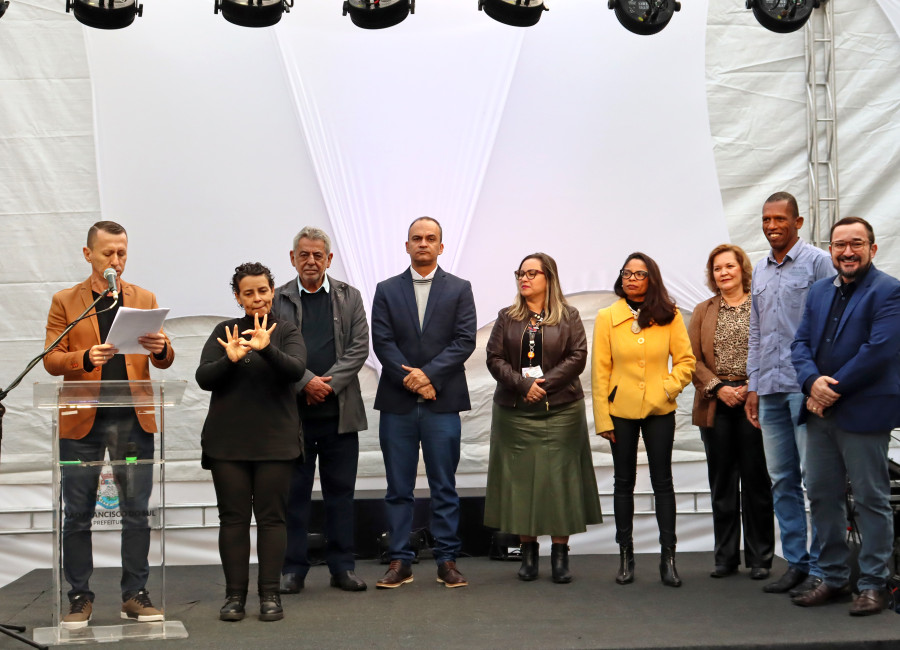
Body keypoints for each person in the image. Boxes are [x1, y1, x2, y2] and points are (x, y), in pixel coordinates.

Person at [43, 220, 174, 629]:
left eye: (122, 253)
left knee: (136, 511)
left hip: (132, 418)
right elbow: (50, 358)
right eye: (107, 254)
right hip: (82, 419)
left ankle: (134, 595)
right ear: (88, 255)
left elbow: (165, 357)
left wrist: (162, 348)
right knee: (78, 513)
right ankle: (79, 596)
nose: (116, 261)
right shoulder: (67, 300)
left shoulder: (143, 297)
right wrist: (83, 359)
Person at [790, 217, 900, 615]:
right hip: (819, 414)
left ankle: (874, 583)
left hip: (865, 413)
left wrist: (827, 391)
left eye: (856, 244)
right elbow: (799, 343)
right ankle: (834, 577)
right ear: (830, 250)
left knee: (871, 500)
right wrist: (810, 383)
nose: (847, 251)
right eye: (839, 244)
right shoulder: (818, 291)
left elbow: (879, 351)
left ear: (872, 248)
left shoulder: (889, 291)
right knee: (822, 496)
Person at [196, 263, 306, 622]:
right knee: (234, 519)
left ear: (273, 291)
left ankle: (270, 595)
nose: (257, 298)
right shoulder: (224, 331)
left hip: (276, 441)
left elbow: (295, 370)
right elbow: (204, 378)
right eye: (248, 293)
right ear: (238, 297)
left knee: (272, 520)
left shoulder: (286, 330)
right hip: (228, 443)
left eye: (262, 291)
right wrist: (230, 359)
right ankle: (234, 597)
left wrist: (265, 349)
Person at [371, 217, 477, 589]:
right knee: (398, 488)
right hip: (398, 405)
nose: (423, 244)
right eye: (416, 238)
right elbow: (382, 343)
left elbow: (464, 341)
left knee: (443, 485)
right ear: (406, 245)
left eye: (431, 238)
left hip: (442, 403)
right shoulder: (386, 289)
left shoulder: (459, 288)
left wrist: (428, 377)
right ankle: (400, 560)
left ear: (441, 247)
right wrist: (413, 380)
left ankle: (447, 559)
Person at [484, 253, 602, 583]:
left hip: (561, 410)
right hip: (516, 412)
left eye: (531, 273)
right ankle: (529, 555)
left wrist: (543, 385)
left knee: (559, 482)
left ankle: (560, 557)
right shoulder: (507, 317)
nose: (524, 278)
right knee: (521, 483)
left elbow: (578, 357)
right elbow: (494, 358)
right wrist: (523, 385)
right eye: (520, 273)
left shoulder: (569, 316)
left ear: (548, 278)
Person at [744, 191, 833, 596]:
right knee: (781, 479)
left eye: (780, 219)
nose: (771, 226)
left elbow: (834, 326)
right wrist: (753, 386)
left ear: (797, 222)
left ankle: (824, 567)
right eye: (766, 219)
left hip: (805, 388)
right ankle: (796, 563)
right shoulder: (759, 270)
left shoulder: (819, 262)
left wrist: (821, 382)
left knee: (816, 480)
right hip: (770, 390)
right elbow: (757, 333)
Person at [273, 227, 369, 594]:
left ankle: (342, 567)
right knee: (294, 496)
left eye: (318, 255)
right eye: (304, 255)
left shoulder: (350, 296)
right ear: (293, 258)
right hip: (292, 417)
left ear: (329, 259)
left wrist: (326, 386)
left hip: (340, 414)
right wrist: (305, 382)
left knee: (340, 495)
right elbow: (274, 350)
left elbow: (359, 348)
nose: (311, 261)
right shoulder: (278, 299)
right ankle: (293, 569)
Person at [591, 252, 695, 587]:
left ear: (652, 279)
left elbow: (686, 361)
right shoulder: (607, 316)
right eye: (627, 273)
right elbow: (599, 372)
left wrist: (667, 388)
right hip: (619, 412)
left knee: (663, 482)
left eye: (640, 273)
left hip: (659, 410)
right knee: (623, 484)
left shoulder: (669, 314)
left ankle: (669, 557)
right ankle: (626, 556)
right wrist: (602, 418)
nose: (632, 279)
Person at [688, 244, 774, 580]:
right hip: (716, 403)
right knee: (722, 483)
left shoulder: (762, 305)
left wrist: (751, 386)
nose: (723, 273)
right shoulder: (703, 310)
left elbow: (773, 348)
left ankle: (761, 558)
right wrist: (718, 388)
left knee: (757, 482)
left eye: (729, 266)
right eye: (717, 268)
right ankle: (725, 558)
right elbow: (690, 359)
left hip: (755, 401)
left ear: (742, 269)